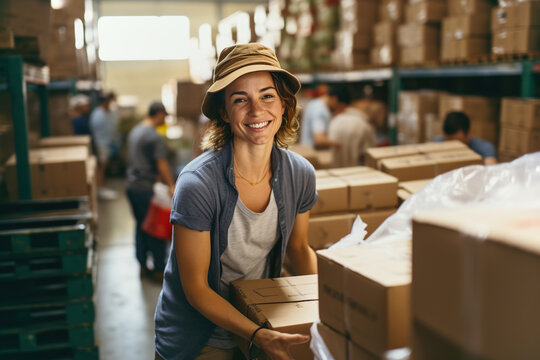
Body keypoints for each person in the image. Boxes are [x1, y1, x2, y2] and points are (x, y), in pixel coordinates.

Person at [154, 43, 318, 360]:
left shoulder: (300, 175)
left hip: (261, 314)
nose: (257, 110)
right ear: (224, 113)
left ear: (285, 104)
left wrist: (323, 310)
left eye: (267, 95)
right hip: (201, 335)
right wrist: (258, 335)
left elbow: (299, 248)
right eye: (240, 99)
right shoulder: (198, 184)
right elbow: (196, 289)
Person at [126, 101, 175, 281]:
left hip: (131, 186)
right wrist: (171, 185)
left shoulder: (136, 130)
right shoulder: (153, 136)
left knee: (141, 225)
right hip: (145, 188)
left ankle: (142, 265)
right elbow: (161, 163)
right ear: (160, 114)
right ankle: (158, 269)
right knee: (155, 227)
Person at [328, 86, 376, 167]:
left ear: (335, 99)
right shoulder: (363, 124)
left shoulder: (334, 122)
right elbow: (370, 155)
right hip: (358, 174)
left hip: (337, 174)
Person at [90, 91, 120, 200]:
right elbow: (98, 133)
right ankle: (100, 189)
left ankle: (103, 187)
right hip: (101, 144)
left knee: (104, 166)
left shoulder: (109, 113)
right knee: (101, 167)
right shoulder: (98, 115)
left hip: (107, 144)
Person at [299, 83, 344, 149]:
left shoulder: (316, 104)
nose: (338, 110)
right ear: (335, 99)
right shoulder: (319, 109)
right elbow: (319, 140)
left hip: (309, 152)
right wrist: (340, 143)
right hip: (312, 154)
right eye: (339, 106)